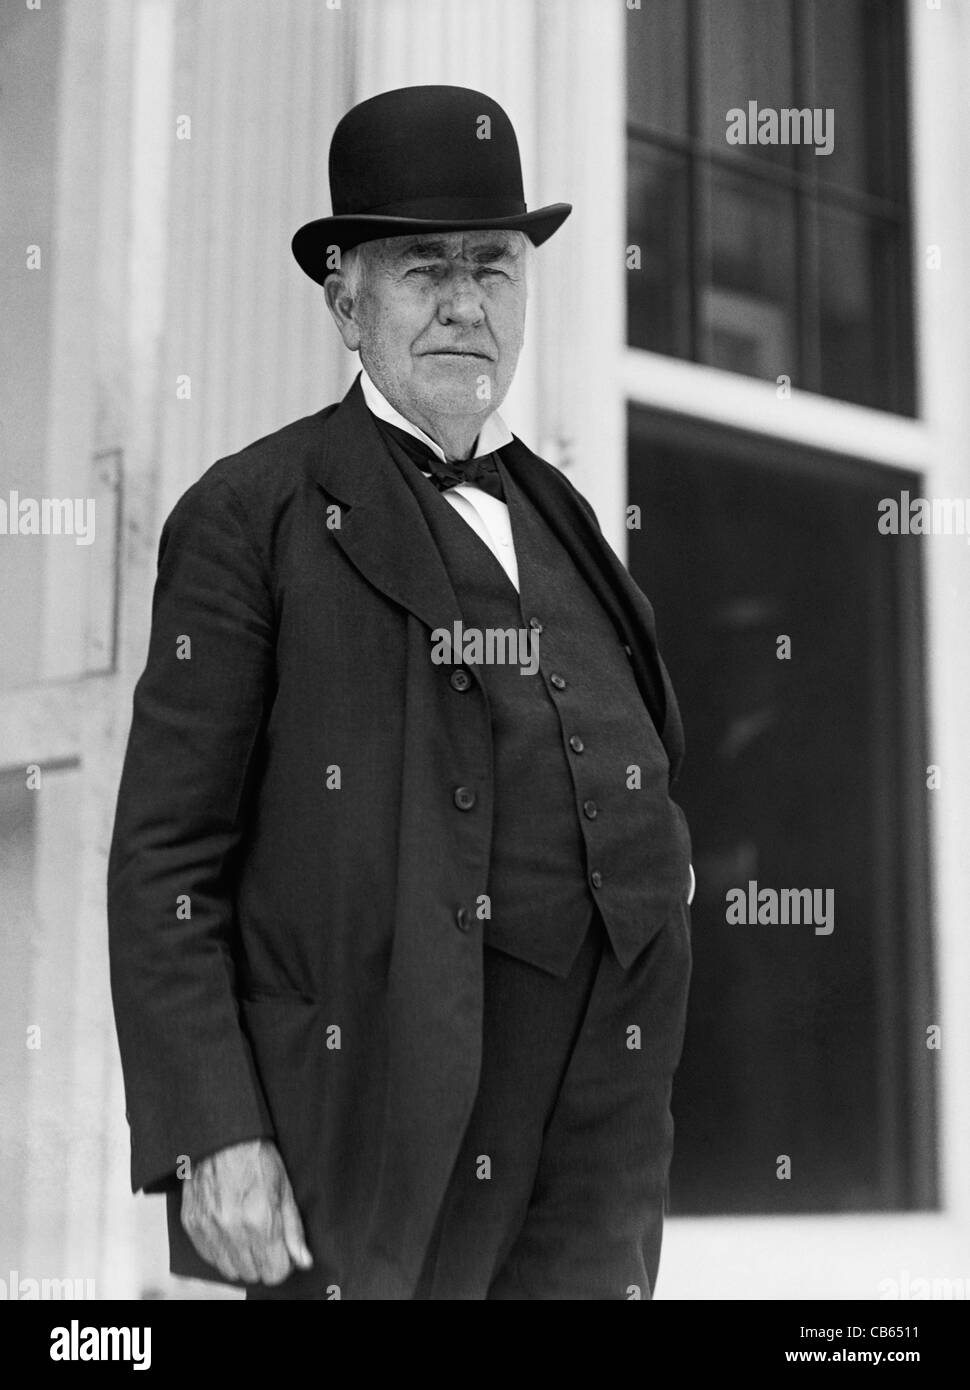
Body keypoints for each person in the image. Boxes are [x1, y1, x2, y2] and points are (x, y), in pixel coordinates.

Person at [107, 84, 694, 1301]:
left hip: (594, 1145)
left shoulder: (568, 520)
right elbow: (166, 857)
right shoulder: (249, 514)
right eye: (427, 268)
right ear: (345, 298)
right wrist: (212, 1128)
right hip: (368, 1135)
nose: (468, 303)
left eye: (495, 265)